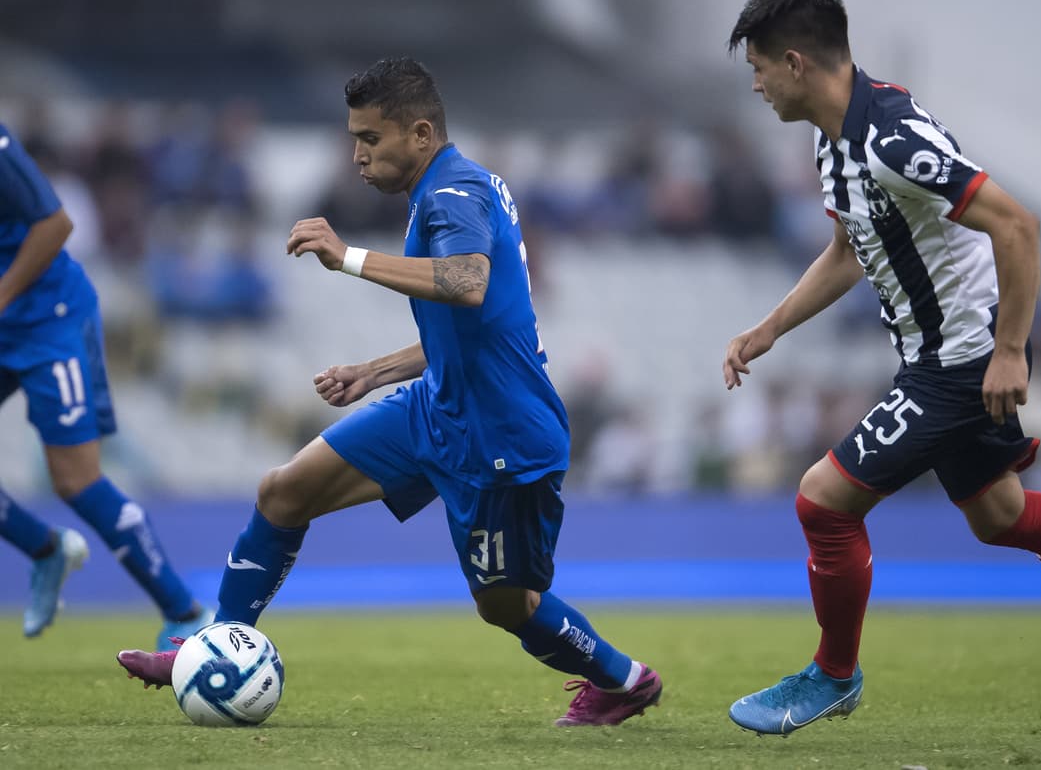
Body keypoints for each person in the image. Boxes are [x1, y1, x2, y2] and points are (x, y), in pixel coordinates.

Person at [719, 0, 1041, 736]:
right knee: (1000, 515)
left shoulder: (891, 136)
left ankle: (832, 674)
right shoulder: (836, 140)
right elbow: (848, 253)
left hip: (958, 362)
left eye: (758, 66)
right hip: (939, 358)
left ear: (795, 62)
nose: (754, 83)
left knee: (822, 499)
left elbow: (1017, 224)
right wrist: (770, 328)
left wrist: (1010, 351)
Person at [116, 58, 663, 727]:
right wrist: (375, 372)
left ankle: (622, 677)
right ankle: (204, 649)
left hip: (502, 437)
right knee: (284, 491)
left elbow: (469, 282)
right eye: (354, 139)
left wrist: (345, 257)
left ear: (421, 133)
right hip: (438, 406)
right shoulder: (451, 187)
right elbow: (476, 327)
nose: (357, 156)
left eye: (370, 140)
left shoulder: (452, 192)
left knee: (505, 604)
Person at [0, 123, 211, 647]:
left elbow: (55, 224)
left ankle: (185, 613)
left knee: (74, 479)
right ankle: (46, 549)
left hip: (50, 319)